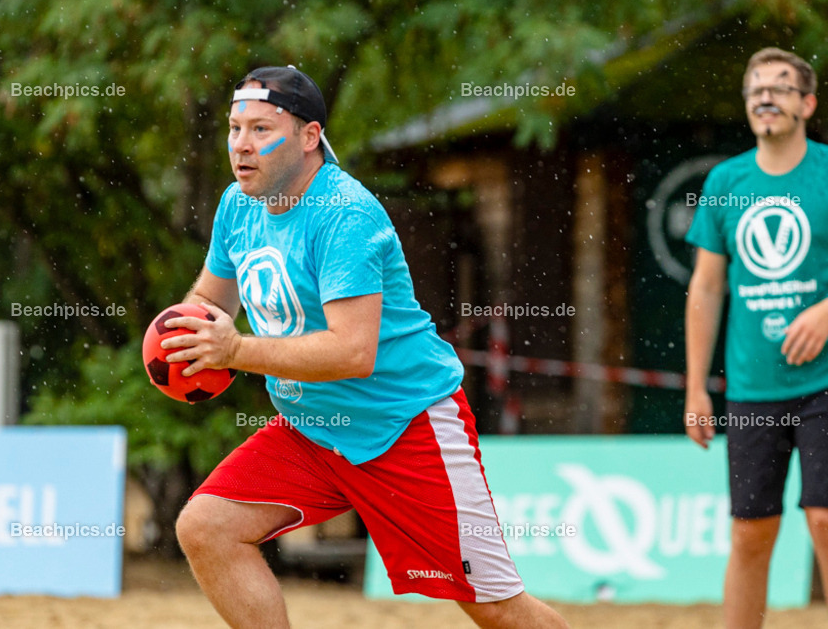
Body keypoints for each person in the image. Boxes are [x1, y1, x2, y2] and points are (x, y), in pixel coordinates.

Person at [161, 65, 568, 629]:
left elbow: (352, 353)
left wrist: (232, 352)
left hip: (403, 426)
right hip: (312, 430)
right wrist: (178, 339)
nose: (241, 146)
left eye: (260, 129)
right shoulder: (239, 204)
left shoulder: (345, 213)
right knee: (205, 526)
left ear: (309, 137)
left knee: (496, 608)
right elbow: (209, 302)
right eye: (234, 128)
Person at [683, 48, 828, 629]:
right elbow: (707, 288)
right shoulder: (725, 181)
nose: (767, 97)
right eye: (756, 88)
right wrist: (696, 390)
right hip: (752, 388)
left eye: (781, 88)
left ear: (806, 104)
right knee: (750, 531)